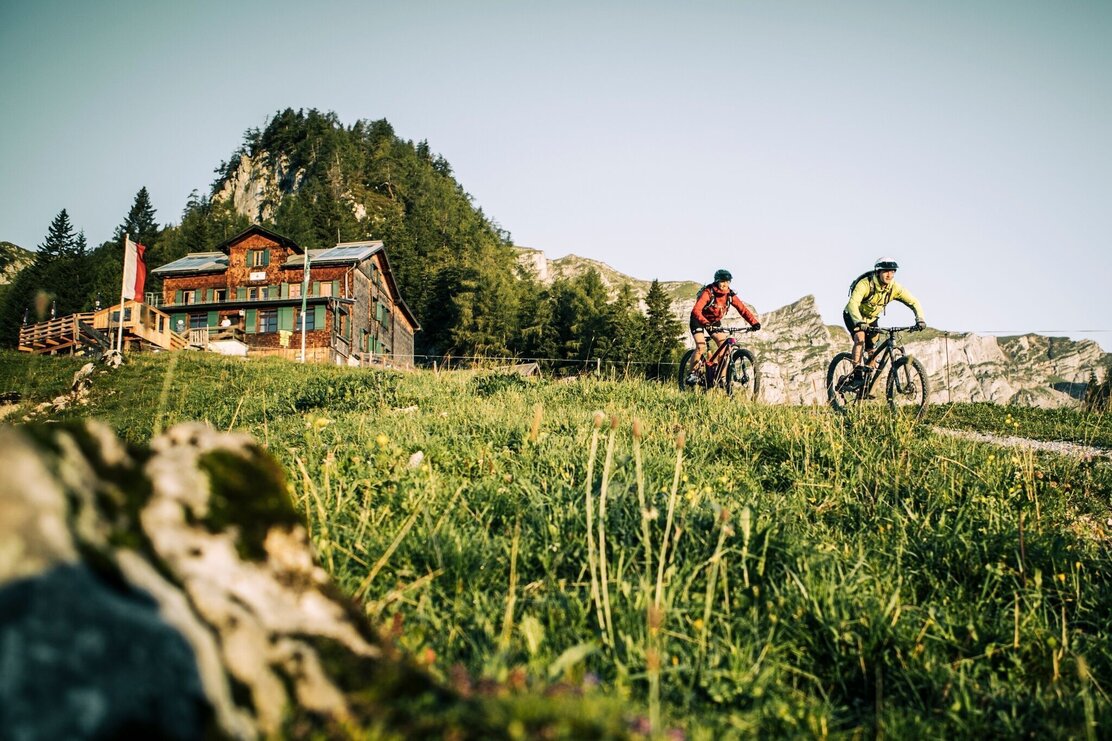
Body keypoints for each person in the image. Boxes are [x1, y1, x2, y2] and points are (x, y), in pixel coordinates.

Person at [842, 257, 926, 389]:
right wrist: (858, 322)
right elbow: (853, 304)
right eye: (886, 271)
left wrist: (920, 318)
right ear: (878, 272)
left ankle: (867, 385)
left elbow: (913, 302)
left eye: (892, 271)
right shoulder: (865, 284)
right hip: (853, 315)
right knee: (860, 338)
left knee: (872, 351)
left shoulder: (894, 288)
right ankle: (857, 376)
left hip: (871, 319)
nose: (889, 275)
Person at [688, 269, 761, 381]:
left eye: (727, 281)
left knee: (725, 349)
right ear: (717, 281)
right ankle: (692, 374)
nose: (725, 284)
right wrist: (705, 323)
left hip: (714, 321)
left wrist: (754, 322)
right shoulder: (708, 292)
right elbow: (696, 310)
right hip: (698, 319)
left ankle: (721, 378)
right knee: (701, 346)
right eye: (722, 281)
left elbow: (742, 309)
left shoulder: (730, 295)